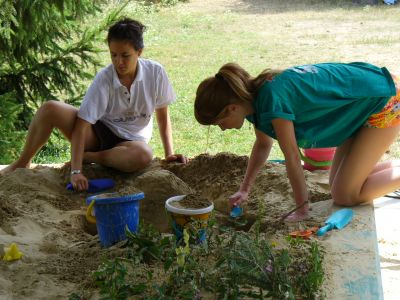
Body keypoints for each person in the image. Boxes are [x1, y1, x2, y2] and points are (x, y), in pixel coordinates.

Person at [194, 62, 400, 221]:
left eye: (220, 122)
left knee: (346, 195)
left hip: (384, 101)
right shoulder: (254, 101)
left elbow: (292, 157)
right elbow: (263, 144)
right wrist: (245, 188)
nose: (223, 128)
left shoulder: (272, 99)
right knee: (336, 186)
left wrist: (302, 209)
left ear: (231, 108)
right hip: (358, 108)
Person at [0, 18, 186, 190]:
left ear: (139, 52)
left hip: (131, 143)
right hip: (98, 134)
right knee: (50, 108)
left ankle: (91, 158)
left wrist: (169, 153)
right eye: (113, 55)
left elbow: (163, 117)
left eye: (125, 55)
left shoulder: (156, 73)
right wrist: (76, 171)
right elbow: (82, 126)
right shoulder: (104, 78)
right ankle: (22, 162)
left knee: (143, 155)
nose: (118, 62)